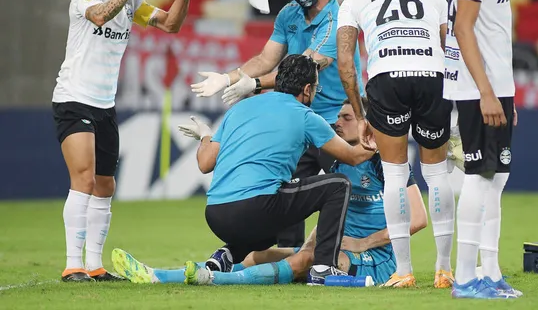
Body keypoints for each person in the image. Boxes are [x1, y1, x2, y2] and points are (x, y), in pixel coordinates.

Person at [110, 97, 429, 286]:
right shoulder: (338, 161)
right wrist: (318, 241)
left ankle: (214, 279)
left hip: (376, 258)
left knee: (304, 260)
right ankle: (163, 275)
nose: (338, 122)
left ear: (364, 124)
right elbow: (333, 209)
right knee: (259, 254)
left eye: (346, 118)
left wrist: (362, 242)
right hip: (338, 248)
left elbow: (417, 219)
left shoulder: (392, 165)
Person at [190, 0, 364, 251]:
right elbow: (266, 59)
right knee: (287, 184)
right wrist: (227, 78)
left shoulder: (338, 22)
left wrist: (253, 84)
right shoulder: (290, 13)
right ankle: (290, 259)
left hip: (335, 119)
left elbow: (306, 67)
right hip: (296, 117)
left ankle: (353, 249)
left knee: (355, 184)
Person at [52, 0, 194, 282]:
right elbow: (100, 16)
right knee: (83, 179)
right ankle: (73, 265)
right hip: (74, 98)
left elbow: (170, 24)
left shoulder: (133, 2)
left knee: (105, 185)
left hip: (105, 104)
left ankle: (95, 266)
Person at [184, 54, 376, 285]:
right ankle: (324, 268)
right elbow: (354, 157)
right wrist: (389, 134)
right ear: (307, 89)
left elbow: (205, 164)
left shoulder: (239, 108)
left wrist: (205, 134)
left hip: (215, 214)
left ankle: (227, 255)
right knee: (337, 185)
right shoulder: (306, 116)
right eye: (316, 88)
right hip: (256, 208)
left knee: (280, 203)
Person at [336, 0, 456, 289]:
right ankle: (444, 270)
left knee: (394, 175)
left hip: (386, 78)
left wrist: (361, 116)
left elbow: (347, 63)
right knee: (436, 174)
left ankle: (404, 272)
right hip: (433, 76)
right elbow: (452, 48)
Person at [443, 0, 521, 299]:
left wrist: (503, 94)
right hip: (480, 89)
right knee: (478, 175)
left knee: (495, 179)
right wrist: (487, 92)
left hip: (494, 87)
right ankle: (465, 278)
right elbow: (463, 26)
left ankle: (489, 271)